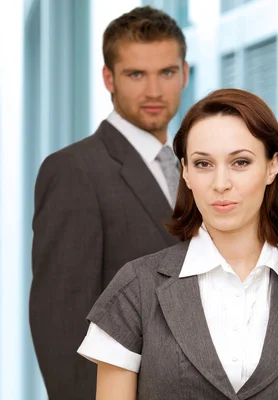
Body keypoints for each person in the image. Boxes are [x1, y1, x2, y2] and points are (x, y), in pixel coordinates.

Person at [77, 88, 278, 400]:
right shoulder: (136, 287)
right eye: (204, 164)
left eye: (240, 162)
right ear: (185, 172)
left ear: (273, 166)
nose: (220, 184)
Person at [30, 7, 188, 399]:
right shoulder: (73, 171)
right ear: (108, 78)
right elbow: (62, 326)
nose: (154, 91)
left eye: (167, 72)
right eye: (136, 74)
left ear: (185, 74)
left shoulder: (194, 169)